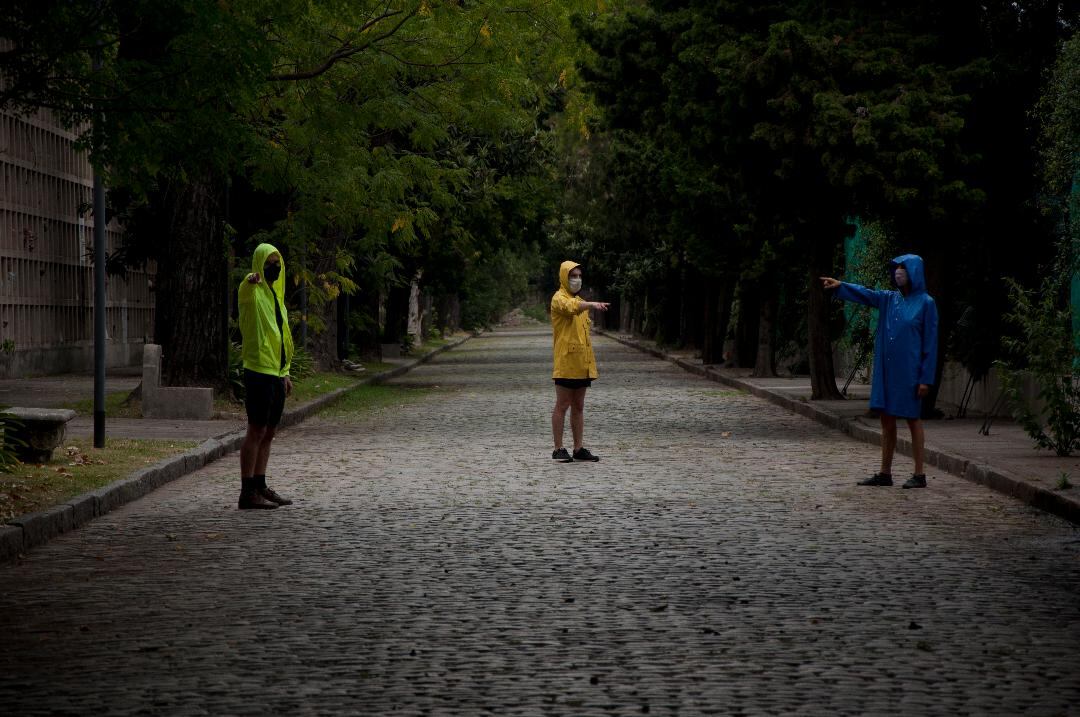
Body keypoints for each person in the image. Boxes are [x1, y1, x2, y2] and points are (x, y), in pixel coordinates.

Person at [821, 254, 939, 489]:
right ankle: (885, 472)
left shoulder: (926, 303)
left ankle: (919, 473)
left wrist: (925, 378)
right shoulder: (889, 299)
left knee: (913, 419)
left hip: (911, 372)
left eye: (903, 269)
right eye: (896, 268)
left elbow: (931, 343)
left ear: (914, 272)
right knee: (887, 419)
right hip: (888, 371)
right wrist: (841, 286)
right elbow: (867, 294)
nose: (898, 273)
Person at [236, 243, 295, 509]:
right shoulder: (251, 292)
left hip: (276, 373)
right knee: (256, 430)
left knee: (269, 431)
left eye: (278, 262)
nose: (275, 267)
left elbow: (280, 337)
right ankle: (247, 490)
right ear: (260, 264)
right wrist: (251, 280)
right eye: (270, 262)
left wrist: (285, 372)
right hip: (258, 371)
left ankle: (260, 484)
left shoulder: (277, 297)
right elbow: (246, 287)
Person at [550, 261, 610, 462]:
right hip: (566, 362)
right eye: (572, 275)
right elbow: (571, 307)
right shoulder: (559, 299)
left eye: (579, 275)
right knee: (562, 404)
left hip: (582, 363)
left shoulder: (581, 302)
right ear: (564, 277)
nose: (577, 279)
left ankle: (578, 448)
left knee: (579, 405)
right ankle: (558, 448)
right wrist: (591, 304)